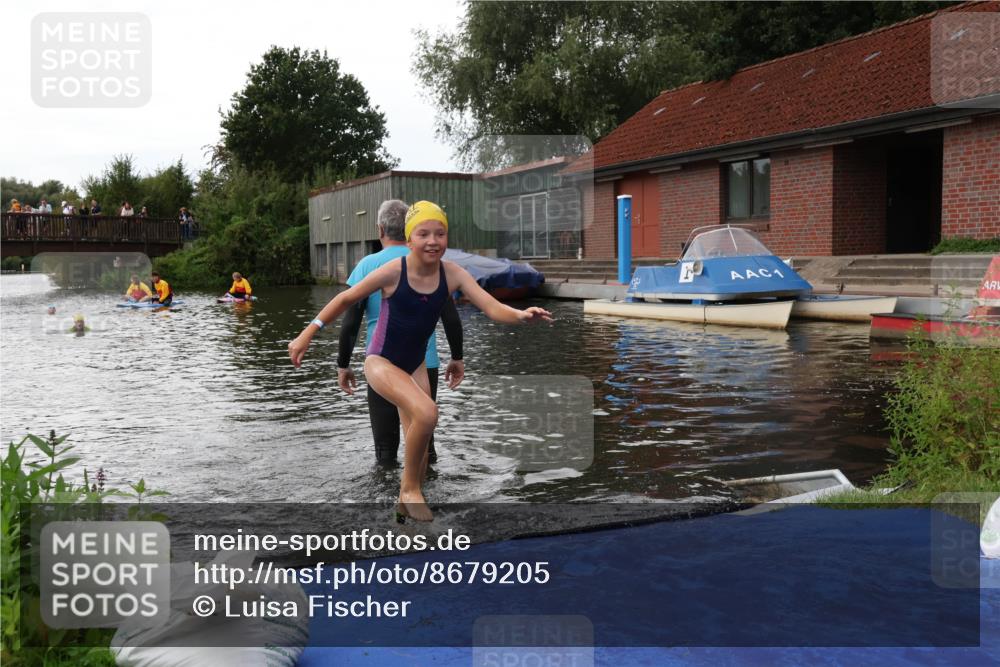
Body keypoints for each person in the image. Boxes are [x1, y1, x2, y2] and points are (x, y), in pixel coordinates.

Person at [288, 201, 552, 522]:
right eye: (423, 233)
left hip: (415, 365)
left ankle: (404, 518)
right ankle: (409, 490)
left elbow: (491, 306)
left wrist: (521, 315)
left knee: (422, 451)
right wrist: (307, 334)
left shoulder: (452, 273)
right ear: (410, 239)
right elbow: (346, 299)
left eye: (440, 233)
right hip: (382, 362)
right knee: (428, 413)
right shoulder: (393, 271)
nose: (433, 241)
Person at [338, 199, 464, 466]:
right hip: (424, 362)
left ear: (380, 230)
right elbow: (451, 318)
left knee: (385, 449)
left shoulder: (367, 265)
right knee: (424, 443)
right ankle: (426, 489)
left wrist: (343, 365)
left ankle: (389, 490)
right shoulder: (429, 263)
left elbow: (351, 322)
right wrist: (457, 357)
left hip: (383, 363)